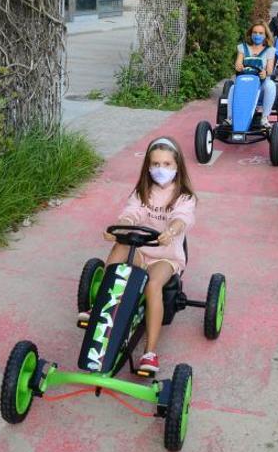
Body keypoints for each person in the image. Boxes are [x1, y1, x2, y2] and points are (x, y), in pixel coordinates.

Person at [78, 137, 196, 373]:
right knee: (120, 248)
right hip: (141, 249)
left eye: (166, 164)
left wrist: (171, 231)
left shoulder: (185, 197)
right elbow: (131, 214)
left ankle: (150, 352)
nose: (160, 170)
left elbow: (181, 219)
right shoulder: (143, 192)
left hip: (166, 256)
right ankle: (100, 306)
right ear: (148, 166)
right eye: (155, 164)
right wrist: (121, 227)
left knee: (153, 285)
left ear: (177, 166)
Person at [231, 22, 277, 126]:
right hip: (245, 80)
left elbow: (270, 69)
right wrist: (238, 66)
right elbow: (238, 62)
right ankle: (230, 118)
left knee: (271, 86)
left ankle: (264, 118)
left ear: (265, 35)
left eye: (261, 33)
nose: (257, 35)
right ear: (251, 34)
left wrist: (265, 72)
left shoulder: (269, 50)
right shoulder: (243, 48)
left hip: (262, 82)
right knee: (232, 88)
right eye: (255, 32)